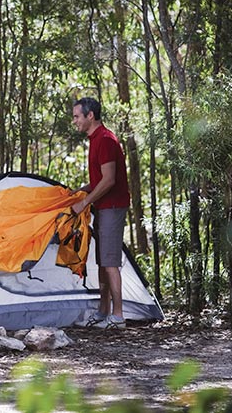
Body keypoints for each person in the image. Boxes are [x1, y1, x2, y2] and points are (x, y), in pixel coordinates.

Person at [71, 97, 130, 330]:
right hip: (103, 207)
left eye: (77, 116)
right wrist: (81, 191)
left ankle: (118, 316)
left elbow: (109, 180)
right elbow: (99, 180)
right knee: (103, 262)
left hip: (112, 207)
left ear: (90, 116)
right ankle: (103, 311)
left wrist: (84, 202)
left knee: (110, 262)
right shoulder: (95, 139)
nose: (74, 121)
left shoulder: (105, 140)